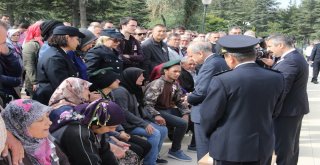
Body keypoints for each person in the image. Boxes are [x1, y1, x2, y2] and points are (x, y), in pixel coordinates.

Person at [200, 35, 285, 165]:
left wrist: (212, 135)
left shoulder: (223, 80)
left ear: (231, 58)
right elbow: (275, 111)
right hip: (261, 146)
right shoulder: (276, 77)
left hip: (229, 147)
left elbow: (209, 116)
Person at [88, 68, 151, 163]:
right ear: (107, 82)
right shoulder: (97, 100)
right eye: (115, 79)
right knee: (137, 149)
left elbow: (115, 119)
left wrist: (121, 131)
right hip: (105, 135)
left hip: (114, 132)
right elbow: (99, 129)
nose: (119, 81)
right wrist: (118, 135)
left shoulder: (110, 95)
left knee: (146, 145)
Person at [266, 34, 309, 165]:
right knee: (290, 146)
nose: (268, 49)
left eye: (270, 46)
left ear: (281, 45)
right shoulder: (292, 57)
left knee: (284, 147)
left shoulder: (291, 61)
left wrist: (269, 109)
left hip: (286, 111)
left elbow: (281, 89)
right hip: (291, 110)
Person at [112, 67, 168, 165]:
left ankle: (153, 156)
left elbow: (140, 108)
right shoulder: (121, 92)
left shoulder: (132, 88)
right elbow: (124, 113)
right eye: (140, 75)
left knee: (163, 129)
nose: (143, 78)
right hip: (127, 125)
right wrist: (144, 124)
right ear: (132, 77)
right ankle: (149, 162)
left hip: (136, 121)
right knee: (155, 134)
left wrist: (153, 118)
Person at [186, 41, 229, 160]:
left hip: (204, 113)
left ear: (200, 53)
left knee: (204, 150)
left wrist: (188, 98)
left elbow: (201, 92)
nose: (190, 59)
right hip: (216, 110)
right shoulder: (219, 60)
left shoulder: (211, 64)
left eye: (191, 55)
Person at [51, 98, 127, 165]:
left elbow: (105, 152)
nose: (113, 130)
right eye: (110, 127)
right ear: (98, 122)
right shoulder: (78, 133)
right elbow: (88, 162)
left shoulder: (94, 123)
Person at [144, 60, 192, 162]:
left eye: (179, 72)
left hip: (167, 110)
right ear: (165, 71)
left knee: (191, 116)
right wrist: (156, 115)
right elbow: (147, 104)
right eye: (175, 71)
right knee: (182, 123)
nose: (178, 74)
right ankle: (175, 150)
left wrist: (186, 113)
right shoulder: (157, 84)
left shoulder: (175, 84)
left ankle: (193, 145)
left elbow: (179, 101)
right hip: (156, 111)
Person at [1, 99, 70, 165]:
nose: (49, 122)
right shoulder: (8, 155)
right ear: (19, 126)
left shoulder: (45, 140)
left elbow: (63, 160)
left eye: (47, 116)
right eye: (40, 120)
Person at [34, 26, 85, 105]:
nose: (78, 43)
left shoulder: (59, 53)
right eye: (77, 39)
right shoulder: (55, 57)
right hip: (50, 100)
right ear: (67, 38)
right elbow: (61, 84)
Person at [0, 21, 22, 106]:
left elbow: (17, 71)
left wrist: (7, 54)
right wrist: (15, 81)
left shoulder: (6, 49)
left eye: (4, 41)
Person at [22, 21, 43, 98]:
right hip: (35, 82)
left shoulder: (43, 42)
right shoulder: (31, 45)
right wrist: (35, 82)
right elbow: (29, 65)